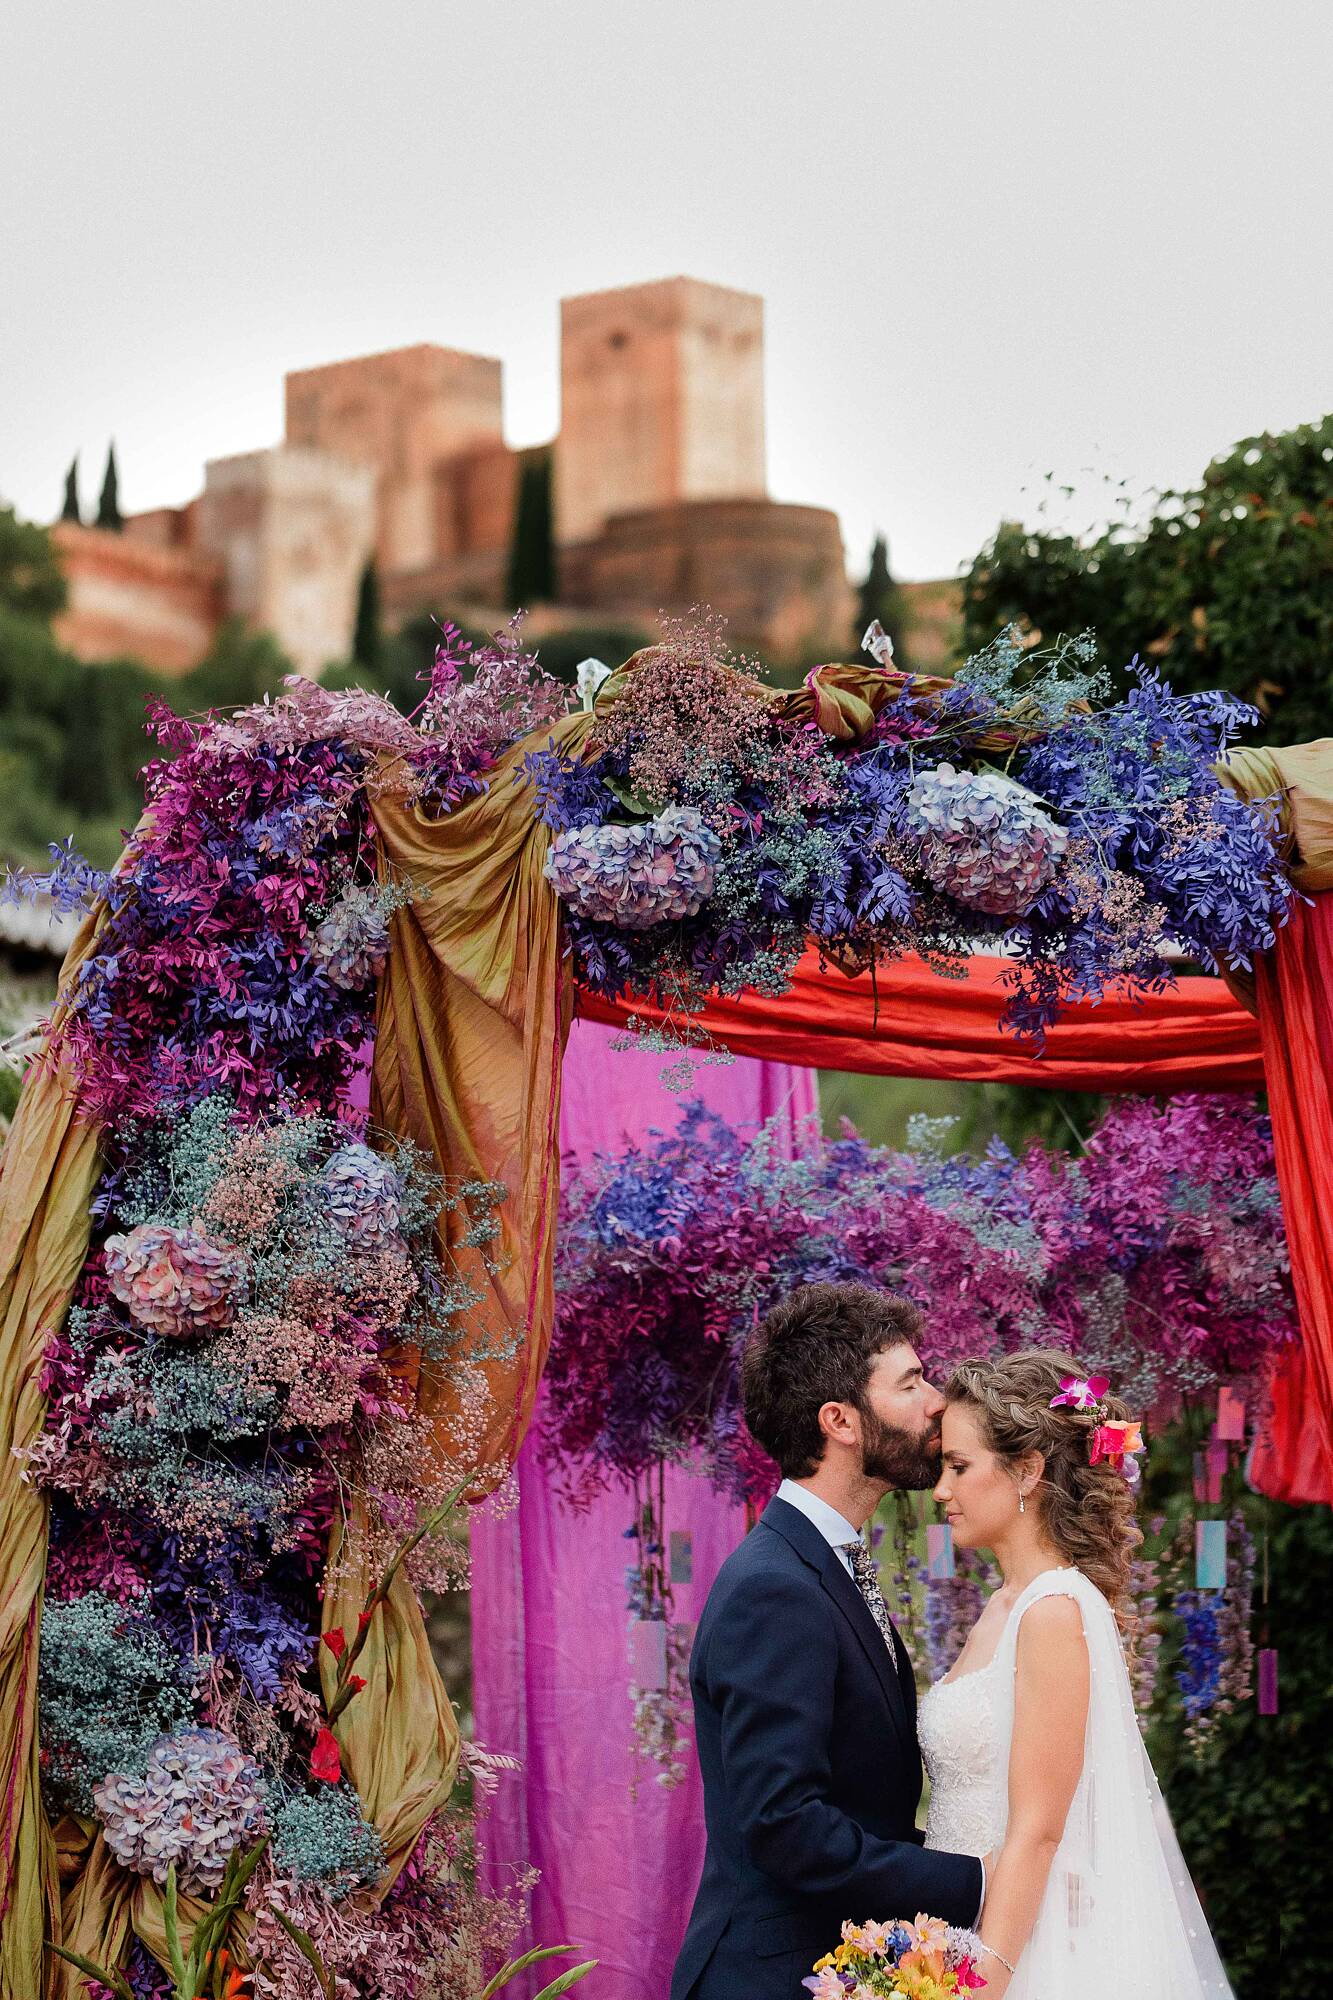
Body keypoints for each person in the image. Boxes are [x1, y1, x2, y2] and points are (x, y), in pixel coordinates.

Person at [671, 1282, 986, 2000]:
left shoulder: (818, 1564)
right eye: (910, 1382)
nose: (937, 1400)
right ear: (840, 1420)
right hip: (776, 1977)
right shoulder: (773, 1588)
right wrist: (974, 1882)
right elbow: (785, 1826)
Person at [921, 1349, 1235, 1998]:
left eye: (957, 1466)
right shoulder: (1002, 1607)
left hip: (1016, 1953)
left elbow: (1036, 1832)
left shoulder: (1052, 1611)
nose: (940, 1491)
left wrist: (980, 1981)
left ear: (1025, 1471)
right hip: (958, 1933)